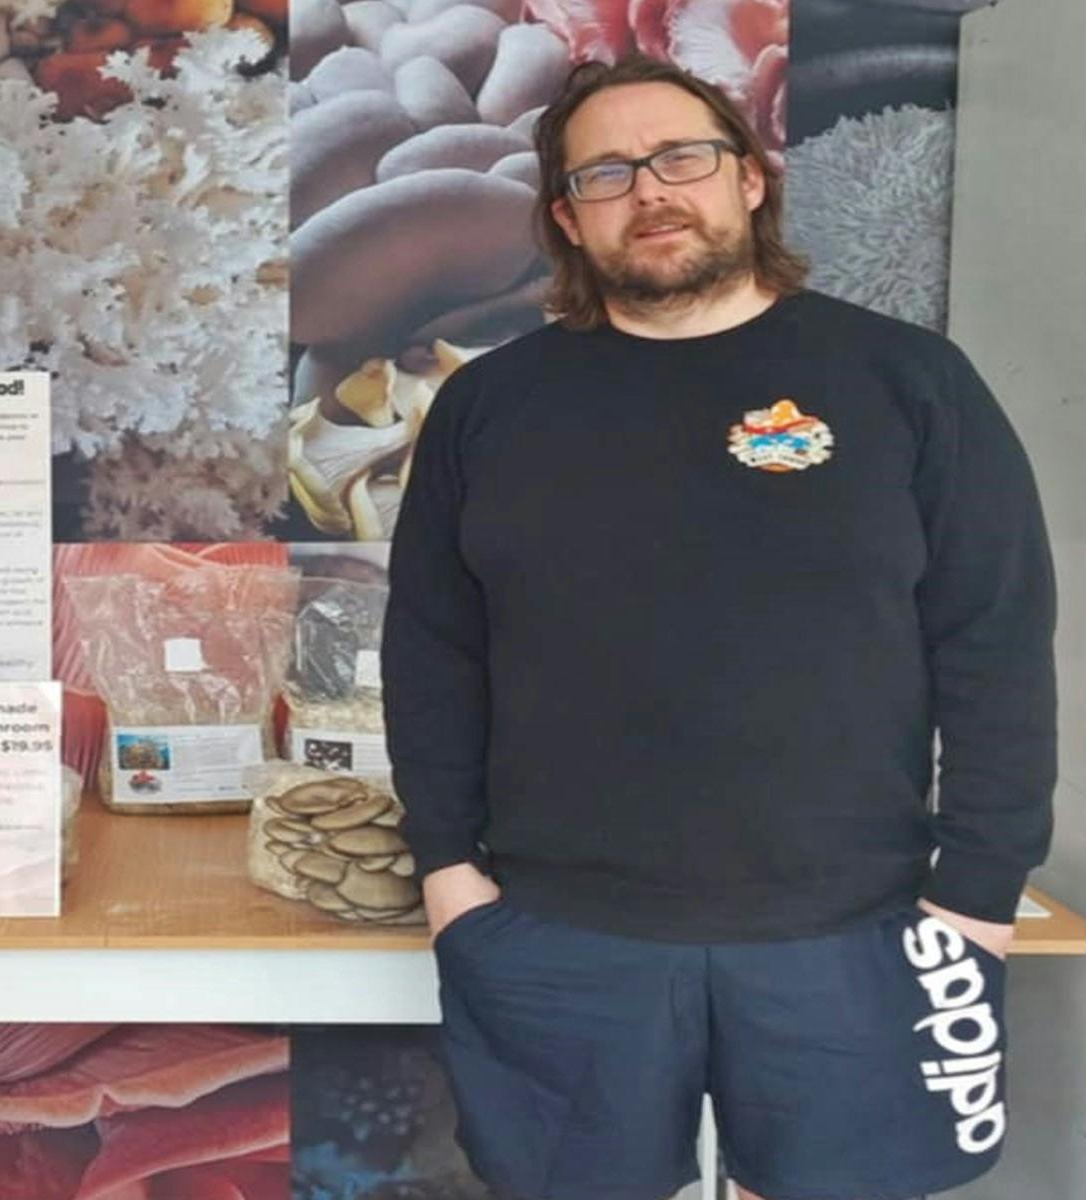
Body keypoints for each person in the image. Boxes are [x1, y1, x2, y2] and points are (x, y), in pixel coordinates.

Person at [381, 55, 1057, 1200]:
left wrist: (976, 898)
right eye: (606, 173)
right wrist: (450, 874)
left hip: (858, 933)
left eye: (680, 157)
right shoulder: (488, 407)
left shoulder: (907, 383)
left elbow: (994, 644)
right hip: (557, 931)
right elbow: (433, 650)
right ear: (566, 218)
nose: (650, 191)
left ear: (747, 180)